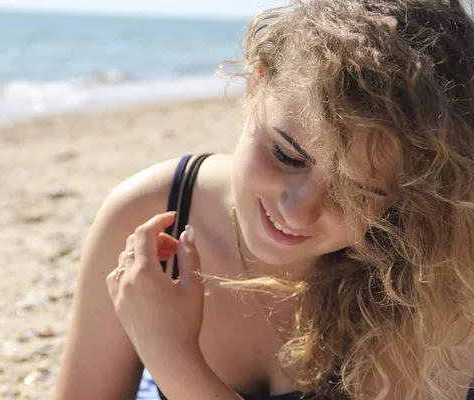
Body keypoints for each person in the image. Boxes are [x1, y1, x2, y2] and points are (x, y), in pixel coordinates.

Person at [53, 0, 474, 398]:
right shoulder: (152, 210)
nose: (298, 211)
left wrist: (170, 357)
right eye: (287, 155)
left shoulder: (433, 271)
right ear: (257, 82)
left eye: (360, 192)